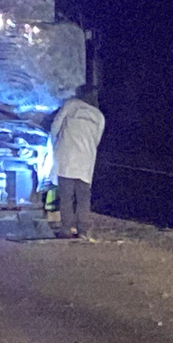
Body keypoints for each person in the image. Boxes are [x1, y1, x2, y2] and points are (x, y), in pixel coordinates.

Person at [50, 85, 105, 238]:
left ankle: (66, 230)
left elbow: (55, 127)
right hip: (86, 162)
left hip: (67, 158)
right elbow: (97, 140)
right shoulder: (98, 115)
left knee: (66, 197)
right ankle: (83, 232)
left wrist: (53, 142)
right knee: (83, 199)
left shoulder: (71, 105)